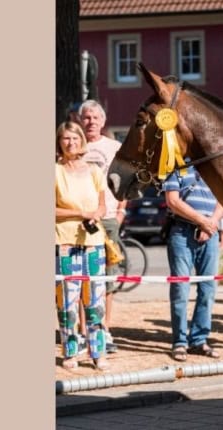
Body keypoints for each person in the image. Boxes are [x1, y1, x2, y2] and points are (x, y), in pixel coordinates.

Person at [54, 122, 112, 371]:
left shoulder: (94, 171)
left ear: (82, 141)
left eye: (75, 138)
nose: (71, 143)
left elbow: (102, 205)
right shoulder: (55, 171)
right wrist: (80, 213)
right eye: (65, 138)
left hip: (93, 242)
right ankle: (70, 352)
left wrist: (95, 214)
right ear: (59, 142)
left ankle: (98, 351)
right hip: (65, 242)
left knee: (95, 301)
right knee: (68, 300)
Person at [162, 165, 223, 361]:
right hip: (182, 232)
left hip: (210, 233)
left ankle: (199, 340)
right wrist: (202, 221)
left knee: (208, 289)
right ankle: (179, 342)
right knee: (180, 290)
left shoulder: (215, 168)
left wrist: (211, 223)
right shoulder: (176, 168)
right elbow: (172, 201)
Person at [77, 100, 127, 354]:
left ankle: (105, 328)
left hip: (108, 218)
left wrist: (120, 212)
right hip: (80, 220)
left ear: (103, 121)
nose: (91, 122)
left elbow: (123, 182)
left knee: (107, 277)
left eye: (96, 117)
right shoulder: (73, 145)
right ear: (80, 120)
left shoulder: (114, 147)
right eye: (87, 117)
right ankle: (83, 330)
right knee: (81, 277)